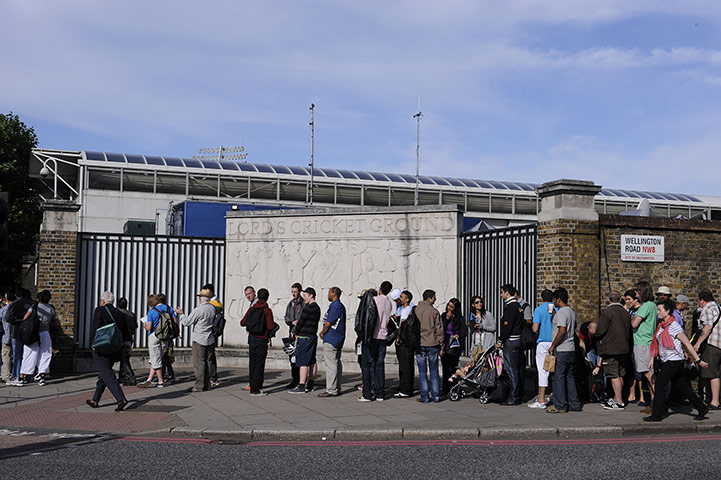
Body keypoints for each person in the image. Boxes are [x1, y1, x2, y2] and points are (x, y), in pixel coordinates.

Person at [644, 299, 709, 422]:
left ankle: (657, 413)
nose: (657, 312)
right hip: (666, 360)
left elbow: (687, 344)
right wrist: (652, 359)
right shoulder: (661, 325)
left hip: (674, 360)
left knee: (659, 383)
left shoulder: (674, 326)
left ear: (667, 311)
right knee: (683, 387)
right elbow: (656, 344)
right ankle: (701, 408)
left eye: (660, 310)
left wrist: (698, 359)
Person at [86, 291, 130, 411]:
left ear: (103, 301)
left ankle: (120, 398)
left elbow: (95, 328)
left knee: (106, 373)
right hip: (115, 348)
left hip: (101, 347)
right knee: (104, 374)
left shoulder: (99, 310)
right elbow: (125, 331)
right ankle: (95, 400)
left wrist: (92, 344)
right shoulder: (119, 314)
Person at [546, 287, 582, 413]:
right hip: (571, 349)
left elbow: (562, 331)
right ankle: (574, 404)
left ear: (559, 299)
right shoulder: (570, 312)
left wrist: (553, 346)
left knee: (558, 378)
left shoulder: (561, 312)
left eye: (554, 300)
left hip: (561, 349)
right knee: (570, 377)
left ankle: (560, 405)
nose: (553, 302)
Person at [595, 290, 631, 410]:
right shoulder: (626, 313)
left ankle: (619, 401)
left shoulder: (607, 312)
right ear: (620, 299)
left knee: (613, 375)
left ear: (609, 299)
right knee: (620, 374)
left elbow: (601, 330)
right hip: (624, 348)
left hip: (611, 348)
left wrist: (596, 336)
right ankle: (617, 398)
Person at [178, 288, 217, 392]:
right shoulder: (212, 308)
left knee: (199, 363)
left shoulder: (199, 310)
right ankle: (207, 384)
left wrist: (181, 314)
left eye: (199, 297)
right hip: (210, 338)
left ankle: (199, 385)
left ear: (202, 298)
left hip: (199, 339)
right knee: (208, 362)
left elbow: (186, 322)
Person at [359, 281, 393, 401]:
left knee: (367, 365)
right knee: (379, 365)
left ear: (380, 289)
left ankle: (367, 393)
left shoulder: (375, 300)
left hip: (373, 336)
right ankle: (380, 393)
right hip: (383, 336)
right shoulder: (389, 303)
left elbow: (368, 316)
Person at [19, 289, 58, 386]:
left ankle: (21, 377)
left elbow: (25, 318)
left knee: (29, 353)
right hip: (45, 332)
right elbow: (57, 323)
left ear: (39, 298)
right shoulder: (51, 309)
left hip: (33, 333)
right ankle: (42, 377)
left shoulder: (35, 306)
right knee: (45, 353)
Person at [632, 281, 658, 414]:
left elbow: (635, 324)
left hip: (643, 343)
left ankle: (658, 403)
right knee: (648, 374)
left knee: (648, 374)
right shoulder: (653, 305)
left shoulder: (645, 306)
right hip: (648, 342)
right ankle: (653, 403)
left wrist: (631, 318)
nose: (636, 294)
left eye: (637, 291)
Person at [138, 294, 175, 388]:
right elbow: (175, 322)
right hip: (165, 337)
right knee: (157, 358)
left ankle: (160, 381)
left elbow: (149, 327)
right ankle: (149, 379)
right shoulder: (169, 308)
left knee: (156, 359)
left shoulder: (151, 312)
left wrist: (144, 325)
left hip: (154, 336)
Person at [693, 289, 721, 409]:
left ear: (702, 300)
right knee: (717, 373)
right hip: (719, 344)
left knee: (711, 373)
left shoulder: (707, 309)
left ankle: (714, 401)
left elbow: (707, 327)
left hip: (712, 344)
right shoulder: (718, 307)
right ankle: (715, 399)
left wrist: (698, 343)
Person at [290, 287, 321, 394]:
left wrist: (295, 331)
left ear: (311, 296)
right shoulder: (317, 308)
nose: (303, 298)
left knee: (303, 361)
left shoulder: (307, 307)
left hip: (304, 337)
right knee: (312, 360)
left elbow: (302, 321)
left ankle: (301, 385)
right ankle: (311, 383)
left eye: (305, 296)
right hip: (312, 336)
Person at [415, 289, 444, 403]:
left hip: (420, 343)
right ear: (429, 298)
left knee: (422, 372)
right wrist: (441, 344)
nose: (435, 299)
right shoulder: (434, 311)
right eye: (434, 297)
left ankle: (424, 396)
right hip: (432, 343)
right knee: (434, 371)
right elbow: (439, 330)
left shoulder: (416, 310)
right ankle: (436, 396)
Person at [498, 284, 524, 405]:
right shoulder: (518, 306)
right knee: (514, 369)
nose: (501, 295)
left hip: (511, 341)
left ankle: (514, 397)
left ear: (507, 293)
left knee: (511, 370)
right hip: (517, 340)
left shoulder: (511, 307)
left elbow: (507, 326)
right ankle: (515, 395)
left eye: (502, 292)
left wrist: (500, 340)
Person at [318, 286, 346, 397]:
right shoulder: (340, 306)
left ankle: (331, 389)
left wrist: (322, 332)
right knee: (336, 362)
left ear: (334, 294)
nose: (328, 295)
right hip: (338, 337)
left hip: (332, 338)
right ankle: (336, 387)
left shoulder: (335, 306)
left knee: (331, 364)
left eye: (329, 293)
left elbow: (329, 322)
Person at [529, 289, 555, 409]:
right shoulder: (557, 309)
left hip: (543, 342)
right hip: (555, 342)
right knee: (555, 370)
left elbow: (535, 329)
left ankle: (541, 399)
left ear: (541, 298)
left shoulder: (539, 309)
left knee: (543, 371)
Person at [441, 298, 467, 395]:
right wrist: (447, 319)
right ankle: (445, 388)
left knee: (453, 367)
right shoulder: (444, 316)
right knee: (445, 367)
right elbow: (441, 329)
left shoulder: (460, 318)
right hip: (445, 344)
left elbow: (464, 331)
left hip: (454, 346)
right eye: (448, 305)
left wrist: (458, 335)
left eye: (452, 307)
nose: (449, 308)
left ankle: (454, 387)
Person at [7, 289, 32, 386]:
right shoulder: (32, 303)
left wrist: (19, 320)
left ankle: (16, 376)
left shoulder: (14, 304)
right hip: (30, 332)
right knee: (28, 355)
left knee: (17, 355)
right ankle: (29, 376)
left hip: (16, 332)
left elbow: (8, 318)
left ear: (16, 295)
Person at [393, 290, 416, 398]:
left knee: (404, 366)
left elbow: (402, 326)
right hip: (408, 342)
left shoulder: (406, 310)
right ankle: (407, 387)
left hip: (404, 342)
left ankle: (405, 389)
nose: (400, 299)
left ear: (407, 299)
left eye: (401, 297)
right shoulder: (407, 309)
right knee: (408, 365)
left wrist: (398, 338)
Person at [283, 282, 304, 389]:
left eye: (295, 292)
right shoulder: (291, 303)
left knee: (300, 359)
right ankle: (294, 379)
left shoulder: (303, 303)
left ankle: (301, 381)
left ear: (299, 292)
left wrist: (296, 327)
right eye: (292, 292)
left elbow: (303, 318)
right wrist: (291, 322)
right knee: (292, 358)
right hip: (291, 333)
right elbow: (286, 317)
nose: (293, 294)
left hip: (299, 334)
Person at [203, 283, 224, 388]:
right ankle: (211, 376)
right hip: (210, 331)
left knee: (210, 356)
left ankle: (213, 377)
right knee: (209, 355)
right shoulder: (214, 302)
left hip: (212, 331)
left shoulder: (215, 303)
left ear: (210, 292)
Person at [116, 297, 138, 386]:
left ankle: (131, 377)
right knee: (124, 358)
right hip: (129, 338)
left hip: (120, 338)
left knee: (124, 360)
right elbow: (135, 326)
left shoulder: (117, 313)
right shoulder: (132, 314)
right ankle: (122, 377)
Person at [0, 292, 16, 383]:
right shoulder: (17, 308)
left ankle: (6, 376)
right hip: (16, 336)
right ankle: (16, 374)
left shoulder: (3, 310)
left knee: (6, 357)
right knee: (17, 357)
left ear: (6, 299)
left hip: (6, 336)